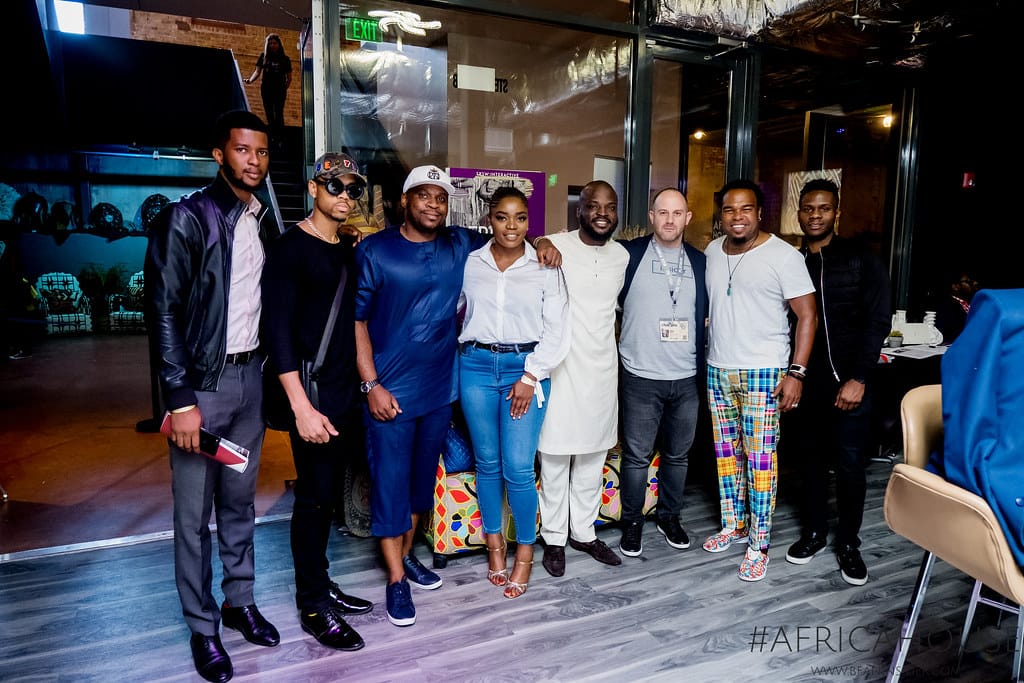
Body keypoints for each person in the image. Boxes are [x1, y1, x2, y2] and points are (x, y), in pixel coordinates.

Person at [354, 165, 561, 626]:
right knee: (390, 483)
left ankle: (409, 556)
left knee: (420, 484)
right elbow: (358, 320)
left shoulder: (459, 243)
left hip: (439, 389)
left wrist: (544, 241)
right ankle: (395, 580)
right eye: (423, 196)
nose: (433, 204)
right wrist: (370, 384)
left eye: (440, 198)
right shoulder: (375, 249)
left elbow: (512, 232)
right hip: (392, 388)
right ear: (404, 200)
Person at [144, 110, 279, 683]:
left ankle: (238, 601)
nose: (254, 161)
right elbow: (163, 312)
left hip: (250, 382)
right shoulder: (187, 218)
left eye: (262, 152)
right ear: (220, 154)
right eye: (243, 150)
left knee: (240, 502)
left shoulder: (261, 219)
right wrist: (179, 399)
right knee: (193, 516)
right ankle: (203, 627)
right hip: (202, 387)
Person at [261, 152, 374, 651]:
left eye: (353, 188)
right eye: (335, 186)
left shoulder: (346, 248)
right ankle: (311, 604)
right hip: (312, 396)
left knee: (327, 498)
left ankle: (321, 582)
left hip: (345, 393)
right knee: (312, 500)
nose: (345, 195)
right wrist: (301, 409)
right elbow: (277, 335)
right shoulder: (289, 250)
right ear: (313, 189)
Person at [701, 178, 816, 582]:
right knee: (726, 456)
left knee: (760, 461)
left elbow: (807, 315)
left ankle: (758, 543)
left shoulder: (784, 256)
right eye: (729, 209)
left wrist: (796, 372)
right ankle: (733, 525)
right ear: (721, 215)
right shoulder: (712, 251)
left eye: (745, 208)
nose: (737, 216)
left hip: (764, 372)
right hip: (718, 368)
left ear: (760, 213)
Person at [458, 186, 571, 599]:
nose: (512, 226)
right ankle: (495, 545)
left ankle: (524, 553)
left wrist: (530, 375)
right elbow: (452, 309)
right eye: (502, 217)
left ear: (529, 221)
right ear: (489, 219)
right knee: (487, 464)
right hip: (474, 367)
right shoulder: (470, 262)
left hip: (525, 370)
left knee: (518, 468)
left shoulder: (545, 266)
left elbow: (558, 329)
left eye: (521, 218)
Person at [782, 178, 890, 586]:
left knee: (849, 467)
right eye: (808, 208)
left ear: (836, 213)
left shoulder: (862, 260)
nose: (815, 215)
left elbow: (878, 321)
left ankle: (848, 544)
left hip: (850, 384)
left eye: (823, 208)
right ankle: (814, 533)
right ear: (799, 213)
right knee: (809, 463)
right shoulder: (792, 263)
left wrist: (859, 377)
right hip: (807, 385)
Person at [536, 180, 629, 577]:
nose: (602, 213)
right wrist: (540, 240)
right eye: (594, 205)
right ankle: (554, 539)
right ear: (580, 210)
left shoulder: (622, 256)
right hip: (561, 370)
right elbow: (528, 244)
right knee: (555, 458)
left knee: (593, 458)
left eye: (610, 206)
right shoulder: (556, 246)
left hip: (602, 371)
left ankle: (584, 533)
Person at [616, 188, 707, 557]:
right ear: (651, 216)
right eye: (663, 212)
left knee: (678, 455)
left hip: (686, 377)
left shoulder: (701, 262)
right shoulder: (628, 255)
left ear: (688, 217)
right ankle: (632, 522)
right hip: (640, 375)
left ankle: (670, 517)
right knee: (637, 456)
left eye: (677, 213)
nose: (670, 220)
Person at [244, 34, 292, 144]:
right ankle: (272, 137)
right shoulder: (264, 57)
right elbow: (257, 71)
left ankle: (281, 138)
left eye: (274, 43)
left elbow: (289, 78)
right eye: (270, 43)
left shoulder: (285, 59)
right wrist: (250, 80)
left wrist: (284, 88)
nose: (272, 45)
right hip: (266, 89)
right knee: (269, 113)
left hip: (279, 90)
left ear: (279, 44)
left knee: (279, 113)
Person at [933, 268, 979, 344]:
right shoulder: (946, 306)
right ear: (955, 287)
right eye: (967, 281)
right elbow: (946, 332)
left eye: (971, 281)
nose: (973, 283)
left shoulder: (973, 304)